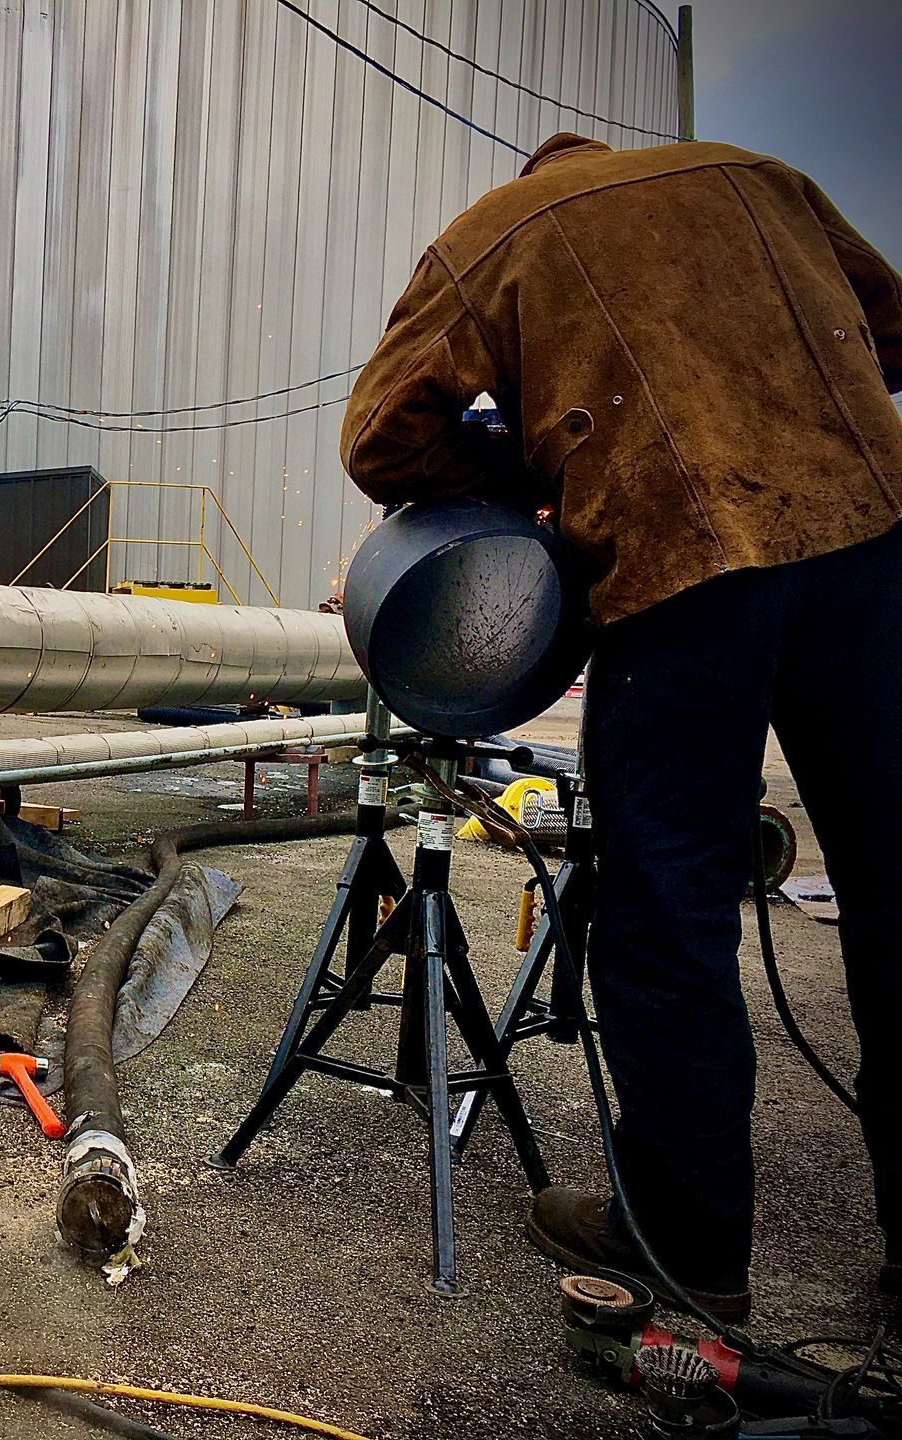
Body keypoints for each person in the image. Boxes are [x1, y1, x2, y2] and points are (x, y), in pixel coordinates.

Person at [340, 132, 902, 1322]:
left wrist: (526, 461)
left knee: (669, 910)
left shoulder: (502, 228)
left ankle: (688, 1245)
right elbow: (892, 333)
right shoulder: (764, 178)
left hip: (677, 558)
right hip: (870, 540)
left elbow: (381, 435)